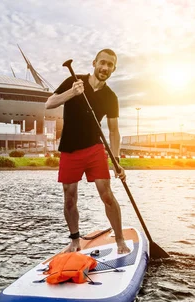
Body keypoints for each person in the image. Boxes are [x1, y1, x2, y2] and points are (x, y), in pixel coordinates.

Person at [45, 49, 130, 254]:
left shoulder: (111, 97)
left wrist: (116, 160)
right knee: (70, 197)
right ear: (94, 63)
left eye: (110, 65)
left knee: (107, 195)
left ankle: (120, 241)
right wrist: (72, 92)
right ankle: (75, 241)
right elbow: (49, 103)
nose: (105, 68)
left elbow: (114, 131)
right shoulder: (74, 81)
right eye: (102, 63)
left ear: (113, 69)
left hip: (95, 148)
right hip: (70, 149)